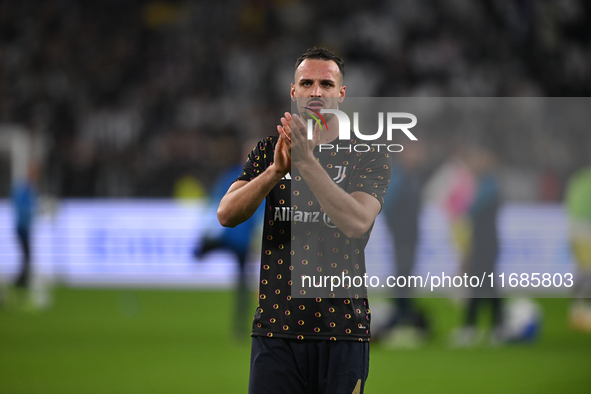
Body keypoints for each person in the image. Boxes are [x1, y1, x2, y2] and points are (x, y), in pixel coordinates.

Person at [217, 47, 391, 394]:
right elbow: (227, 213)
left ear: (341, 94)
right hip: (276, 332)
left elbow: (357, 221)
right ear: (293, 91)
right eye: (306, 83)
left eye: (326, 84)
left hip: (342, 330)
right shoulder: (270, 150)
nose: (316, 92)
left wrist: (306, 164)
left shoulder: (368, 155)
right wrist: (274, 172)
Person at [194, 138, 263, 340]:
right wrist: (206, 230)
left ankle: (240, 327)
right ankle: (240, 328)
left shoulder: (263, 179)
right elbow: (216, 202)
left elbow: (262, 215)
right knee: (201, 251)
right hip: (230, 237)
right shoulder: (236, 175)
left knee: (243, 286)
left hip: (242, 243)